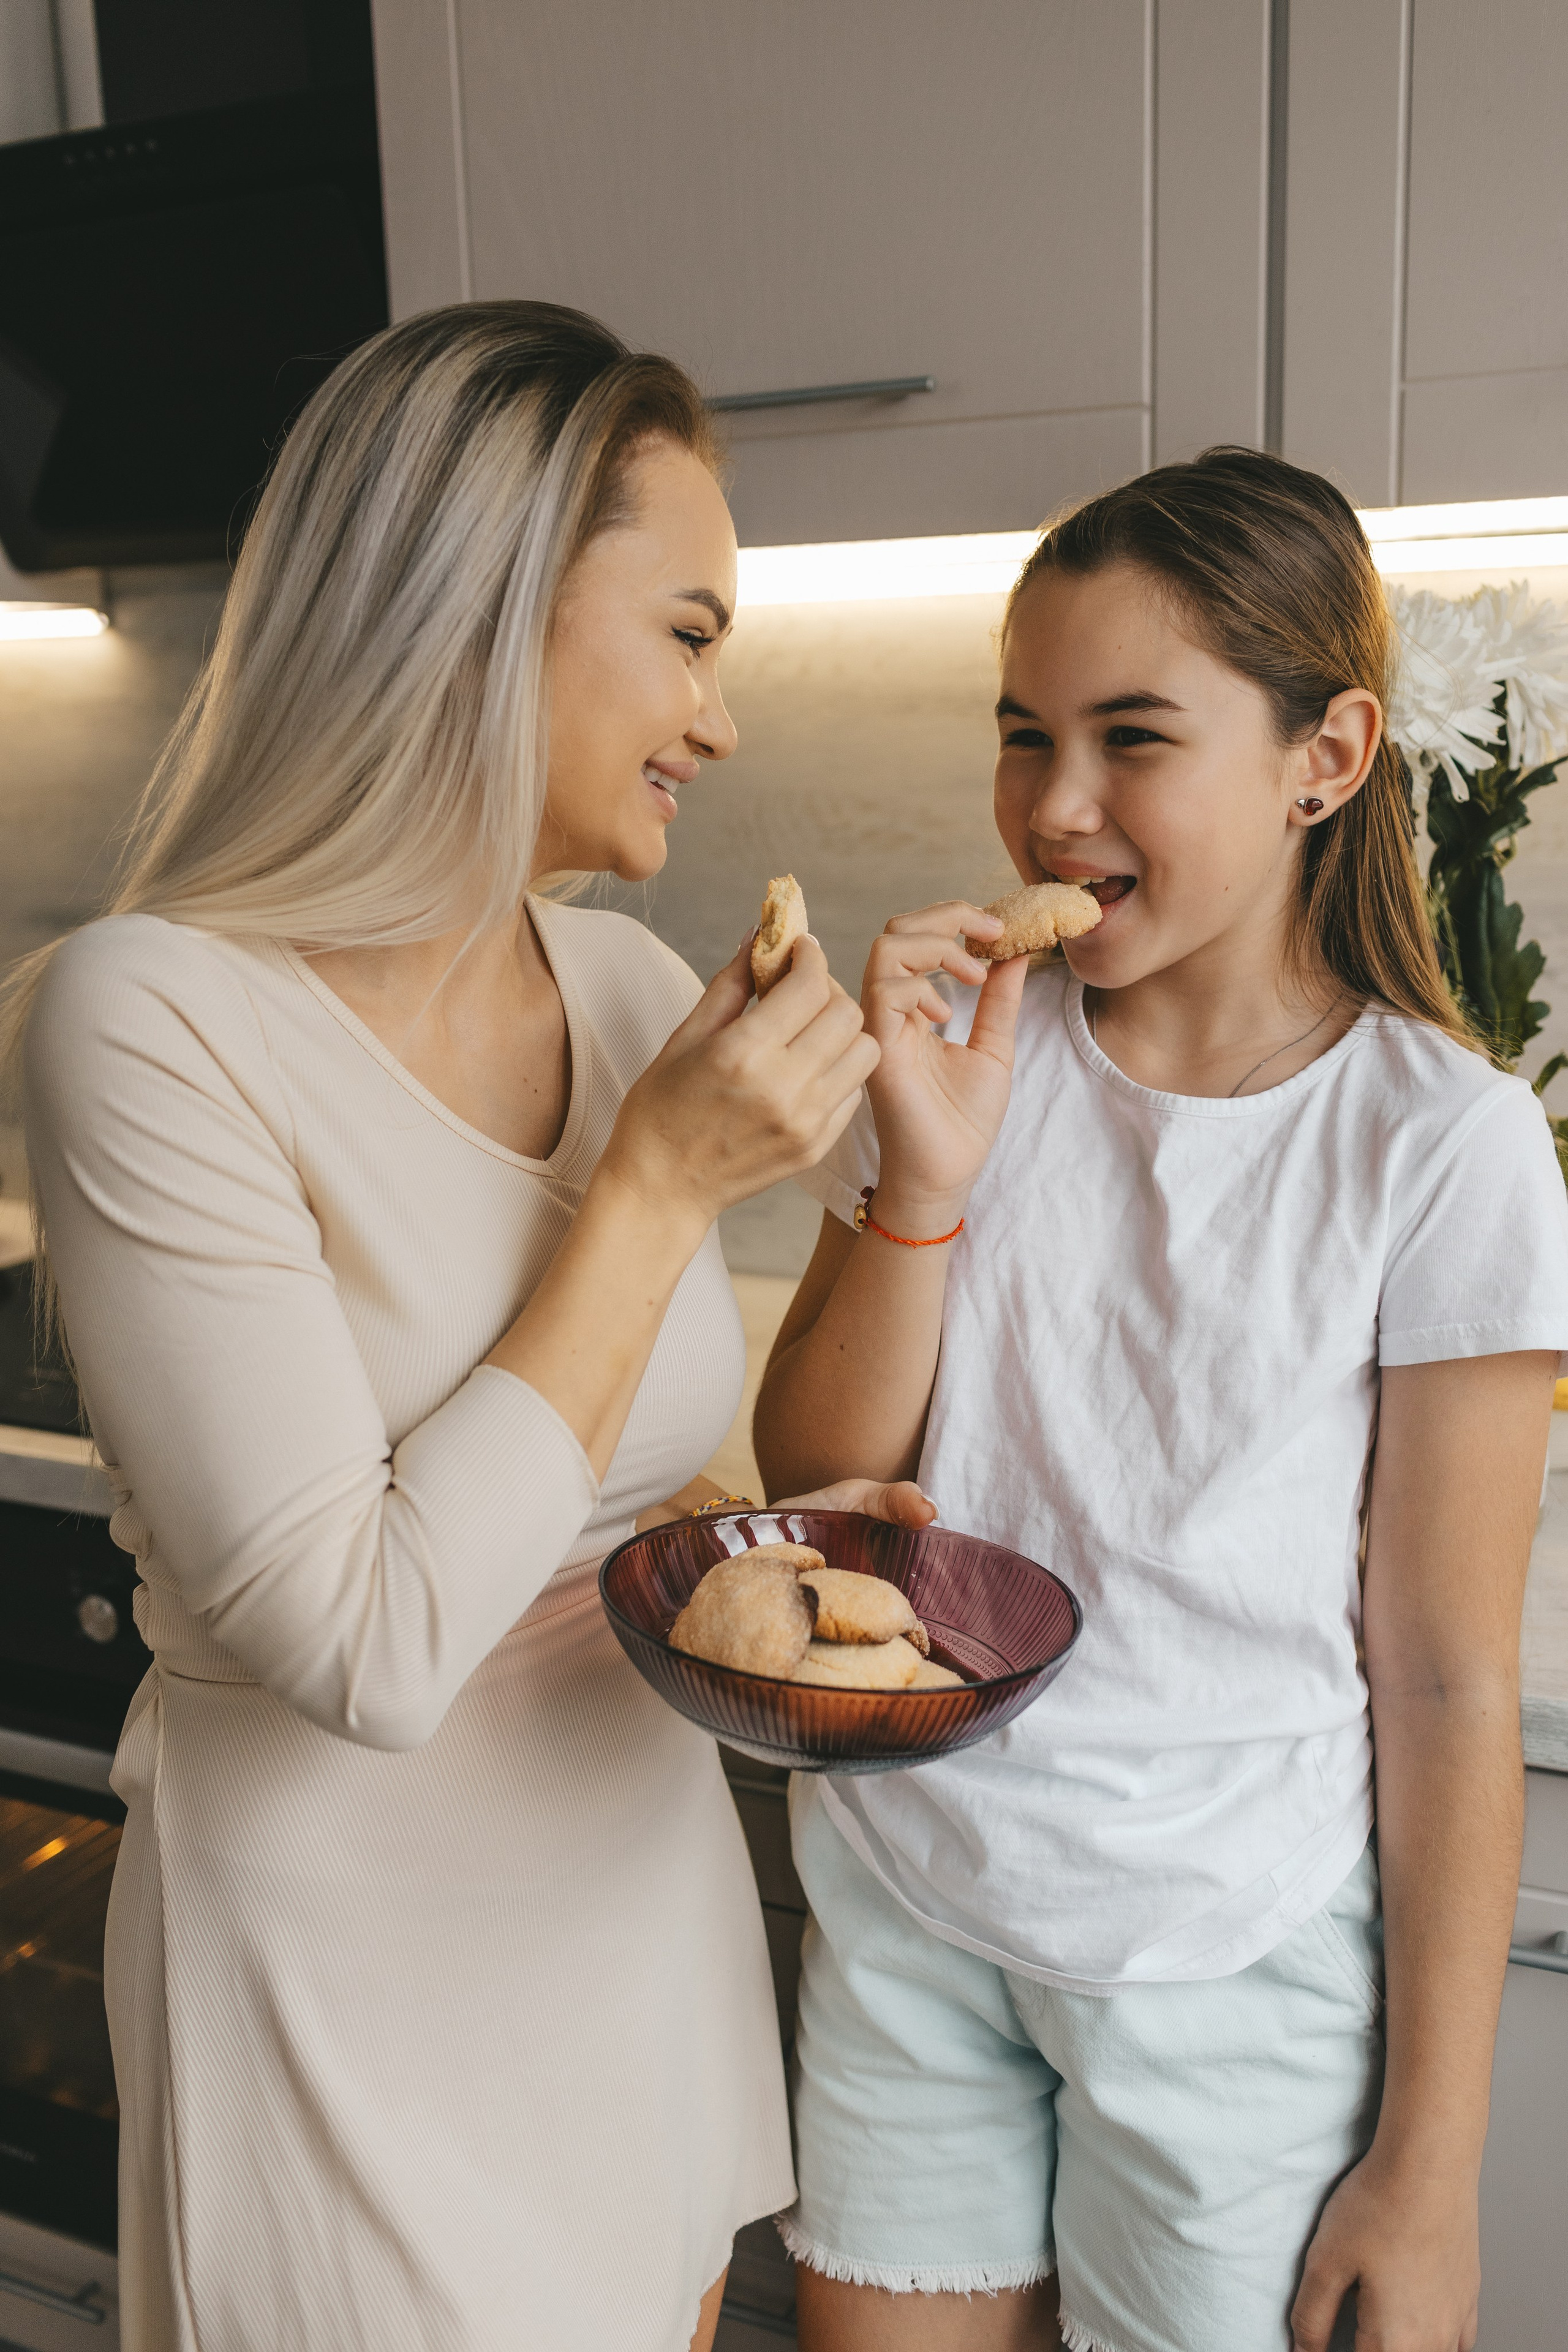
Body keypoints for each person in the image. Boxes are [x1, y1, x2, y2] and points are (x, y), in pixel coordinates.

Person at [4, 301, 924, 2352]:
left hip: (634, 1931)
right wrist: (668, 1183)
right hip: (345, 1997)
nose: (721, 714)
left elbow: (619, 1490)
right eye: (690, 634)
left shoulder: (616, 998)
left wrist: (795, 1545)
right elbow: (370, 1644)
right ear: (490, 605)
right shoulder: (147, 1015)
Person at [753, 448, 1568, 2352]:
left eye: (1133, 739)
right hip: (911, 1904)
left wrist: (1429, 2176)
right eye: (1024, 734)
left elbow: (1448, 1680)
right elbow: (825, 1472)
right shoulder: (973, 1056)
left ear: (1328, 756)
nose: (1055, 808)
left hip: (1228, 1957)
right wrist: (927, 1175)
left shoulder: (1438, 1149)